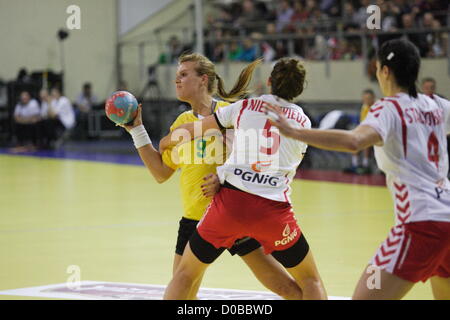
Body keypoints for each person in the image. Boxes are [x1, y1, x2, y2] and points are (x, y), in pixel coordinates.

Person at [265, 38, 450, 300]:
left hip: (420, 223)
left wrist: (295, 132)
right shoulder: (437, 105)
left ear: (384, 71)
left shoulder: (389, 107)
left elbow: (354, 141)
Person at [119, 53, 303, 299]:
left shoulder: (233, 114)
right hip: (194, 219)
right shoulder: (181, 122)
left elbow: (258, 159)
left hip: (232, 213)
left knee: (284, 286)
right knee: (183, 293)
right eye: (177, 76)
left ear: (203, 80)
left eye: (184, 75)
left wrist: (223, 178)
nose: (177, 81)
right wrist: (137, 130)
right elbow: (161, 173)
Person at [159, 57, 327, 300]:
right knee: (310, 280)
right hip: (273, 210)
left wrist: (165, 141)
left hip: (230, 205)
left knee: (185, 274)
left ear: (269, 82)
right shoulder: (303, 122)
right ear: (299, 89)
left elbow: (194, 130)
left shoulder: (246, 106)